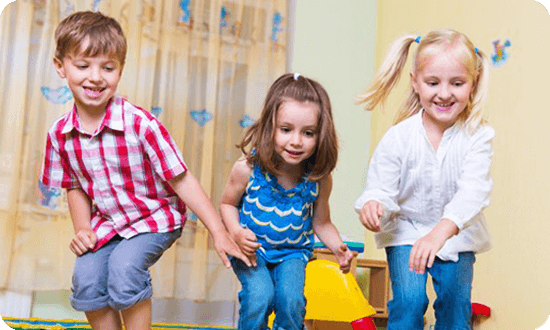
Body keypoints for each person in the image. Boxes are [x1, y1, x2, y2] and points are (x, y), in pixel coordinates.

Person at [40, 11, 250, 330]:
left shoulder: (140, 124)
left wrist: (219, 231)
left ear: (120, 70)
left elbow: (182, 179)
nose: (95, 77)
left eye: (107, 68)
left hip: (155, 217)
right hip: (110, 223)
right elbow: (75, 185)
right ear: (61, 67)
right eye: (83, 65)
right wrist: (83, 228)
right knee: (86, 279)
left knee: (124, 269)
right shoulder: (60, 134)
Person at [354, 29, 494, 330]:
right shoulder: (399, 137)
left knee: (456, 306)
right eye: (433, 83)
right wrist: (372, 203)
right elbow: (380, 184)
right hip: (407, 229)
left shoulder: (478, 137)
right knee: (409, 301)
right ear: (415, 82)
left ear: (473, 83)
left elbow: (473, 192)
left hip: (456, 233)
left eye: (457, 83)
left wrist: (440, 233)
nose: (444, 94)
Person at [220, 72, 354, 330]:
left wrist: (339, 247)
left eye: (308, 133)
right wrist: (236, 232)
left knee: (291, 302)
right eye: (286, 130)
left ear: (320, 134)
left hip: (293, 254)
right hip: (252, 251)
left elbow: (322, 222)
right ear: (270, 127)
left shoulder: (318, 178)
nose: (296, 141)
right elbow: (227, 204)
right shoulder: (248, 168)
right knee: (260, 296)